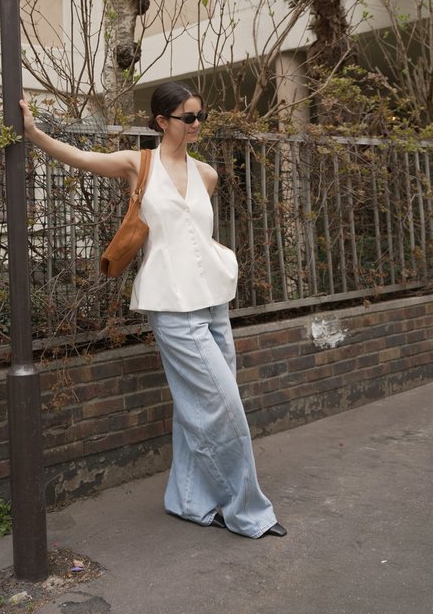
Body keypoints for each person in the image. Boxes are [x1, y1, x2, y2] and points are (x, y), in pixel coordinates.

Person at [20, 81, 286, 538]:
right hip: (173, 306)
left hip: (214, 304)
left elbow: (193, 234)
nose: (198, 124)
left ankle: (186, 499)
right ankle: (247, 512)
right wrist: (33, 132)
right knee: (224, 409)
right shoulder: (137, 165)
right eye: (189, 117)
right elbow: (79, 158)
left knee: (197, 407)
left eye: (201, 115)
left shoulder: (207, 175)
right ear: (163, 122)